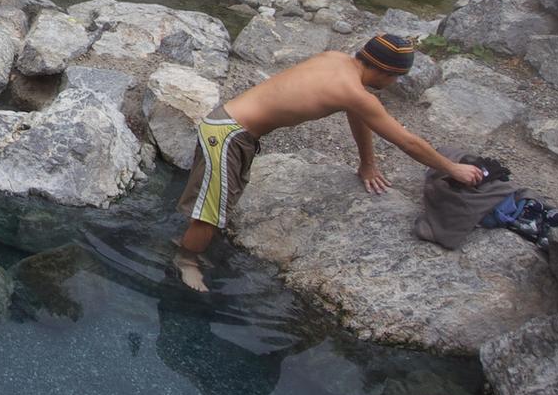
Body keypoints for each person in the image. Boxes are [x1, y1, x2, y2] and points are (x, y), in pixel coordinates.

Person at [172, 33, 486, 292]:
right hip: (229, 136)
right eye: (397, 78)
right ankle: (185, 262)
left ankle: (189, 243)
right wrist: (452, 168)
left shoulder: (336, 61)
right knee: (209, 215)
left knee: (215, 204)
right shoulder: (354, 92)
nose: (394, 84)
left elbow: (357, 112)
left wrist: (367, 164)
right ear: (387, 72)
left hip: (228, 127)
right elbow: (408, 142)